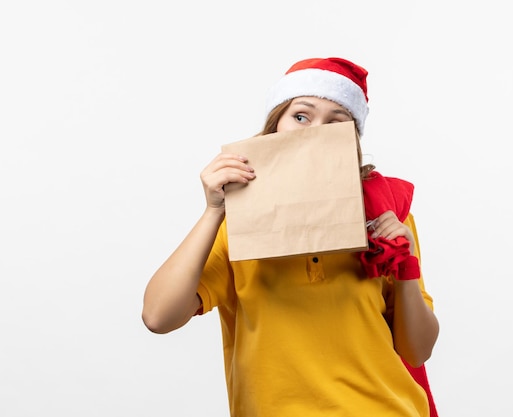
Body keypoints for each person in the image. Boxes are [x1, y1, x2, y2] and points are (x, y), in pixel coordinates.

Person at [142, 57, 440, 416]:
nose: (314, 131)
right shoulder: (236, 226)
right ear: (275, 125)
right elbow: (158, 317)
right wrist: (214, 211)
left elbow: (417, 351)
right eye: (301, 116)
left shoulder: (387, 216)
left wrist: (405, 264)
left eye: (335, 123)